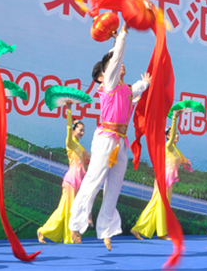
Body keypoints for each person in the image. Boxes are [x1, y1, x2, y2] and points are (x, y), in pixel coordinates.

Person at [68, 24, 151, 250]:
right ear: (104, 74)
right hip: (106, 139)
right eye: (114, 63)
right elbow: (116, 60)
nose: (119, 64)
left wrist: (146, 83)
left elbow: (137, 88)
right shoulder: (109, 84)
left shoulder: (125, 89)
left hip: (120, 143)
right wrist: (121, 35)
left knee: (114, 188)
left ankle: (105, 230)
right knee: (94, 181)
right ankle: (76, 224)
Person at [131, 110, 192, 240]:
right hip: (163, 180)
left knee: (163, 206)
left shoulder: (176, 151)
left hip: (169, 181)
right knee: (156, 204)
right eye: (174, 134)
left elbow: (183, 161)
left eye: (177, 134)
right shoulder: (168, 146)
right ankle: (142, 229)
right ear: (168, 136)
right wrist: (175, 119)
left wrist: (187, 163)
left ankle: (158, 232)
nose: (176, 136)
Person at [37, 104, 89, 244]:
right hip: (71, 181)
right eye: (80, 130)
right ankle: (66, 236)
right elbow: (68, 129)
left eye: (84, 131)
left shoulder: (80, 147)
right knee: (68, 210)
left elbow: (88, 160)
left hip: (78, 181)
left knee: (66, 210)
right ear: (74, 130)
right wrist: (69, 111)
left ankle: (48, 232)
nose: (82, 133)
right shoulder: (70, 143)